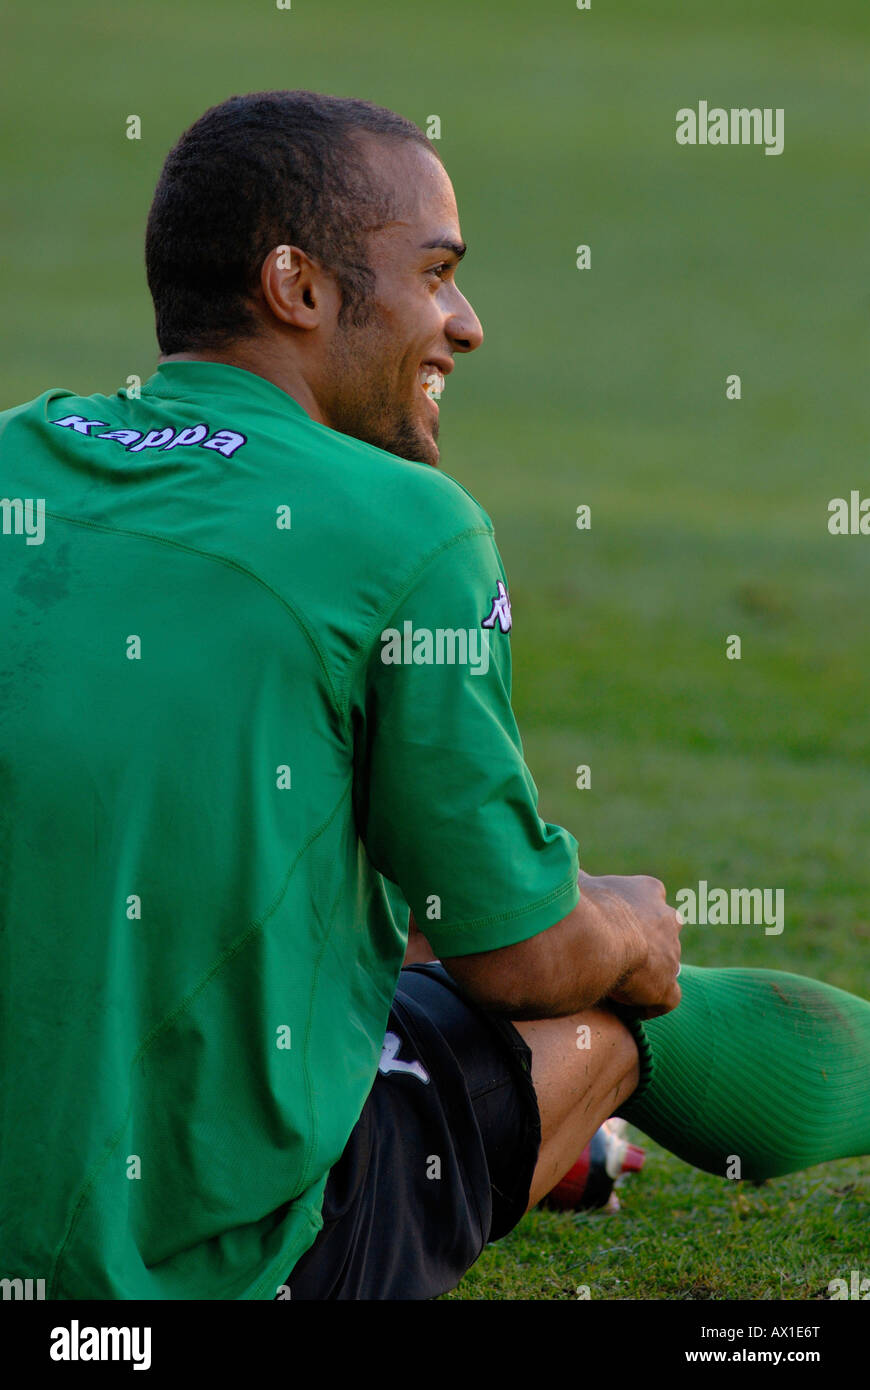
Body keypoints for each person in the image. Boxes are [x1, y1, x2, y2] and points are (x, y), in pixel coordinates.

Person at [0, 90, 867, 1302]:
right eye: (439, 271)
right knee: (604, 1023)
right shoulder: (406, 528)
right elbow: (519, 956)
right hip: (204, 1276)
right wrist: (621, 919)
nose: (465, 323)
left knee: (375, 936)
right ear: (297, 288)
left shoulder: (17, 457)